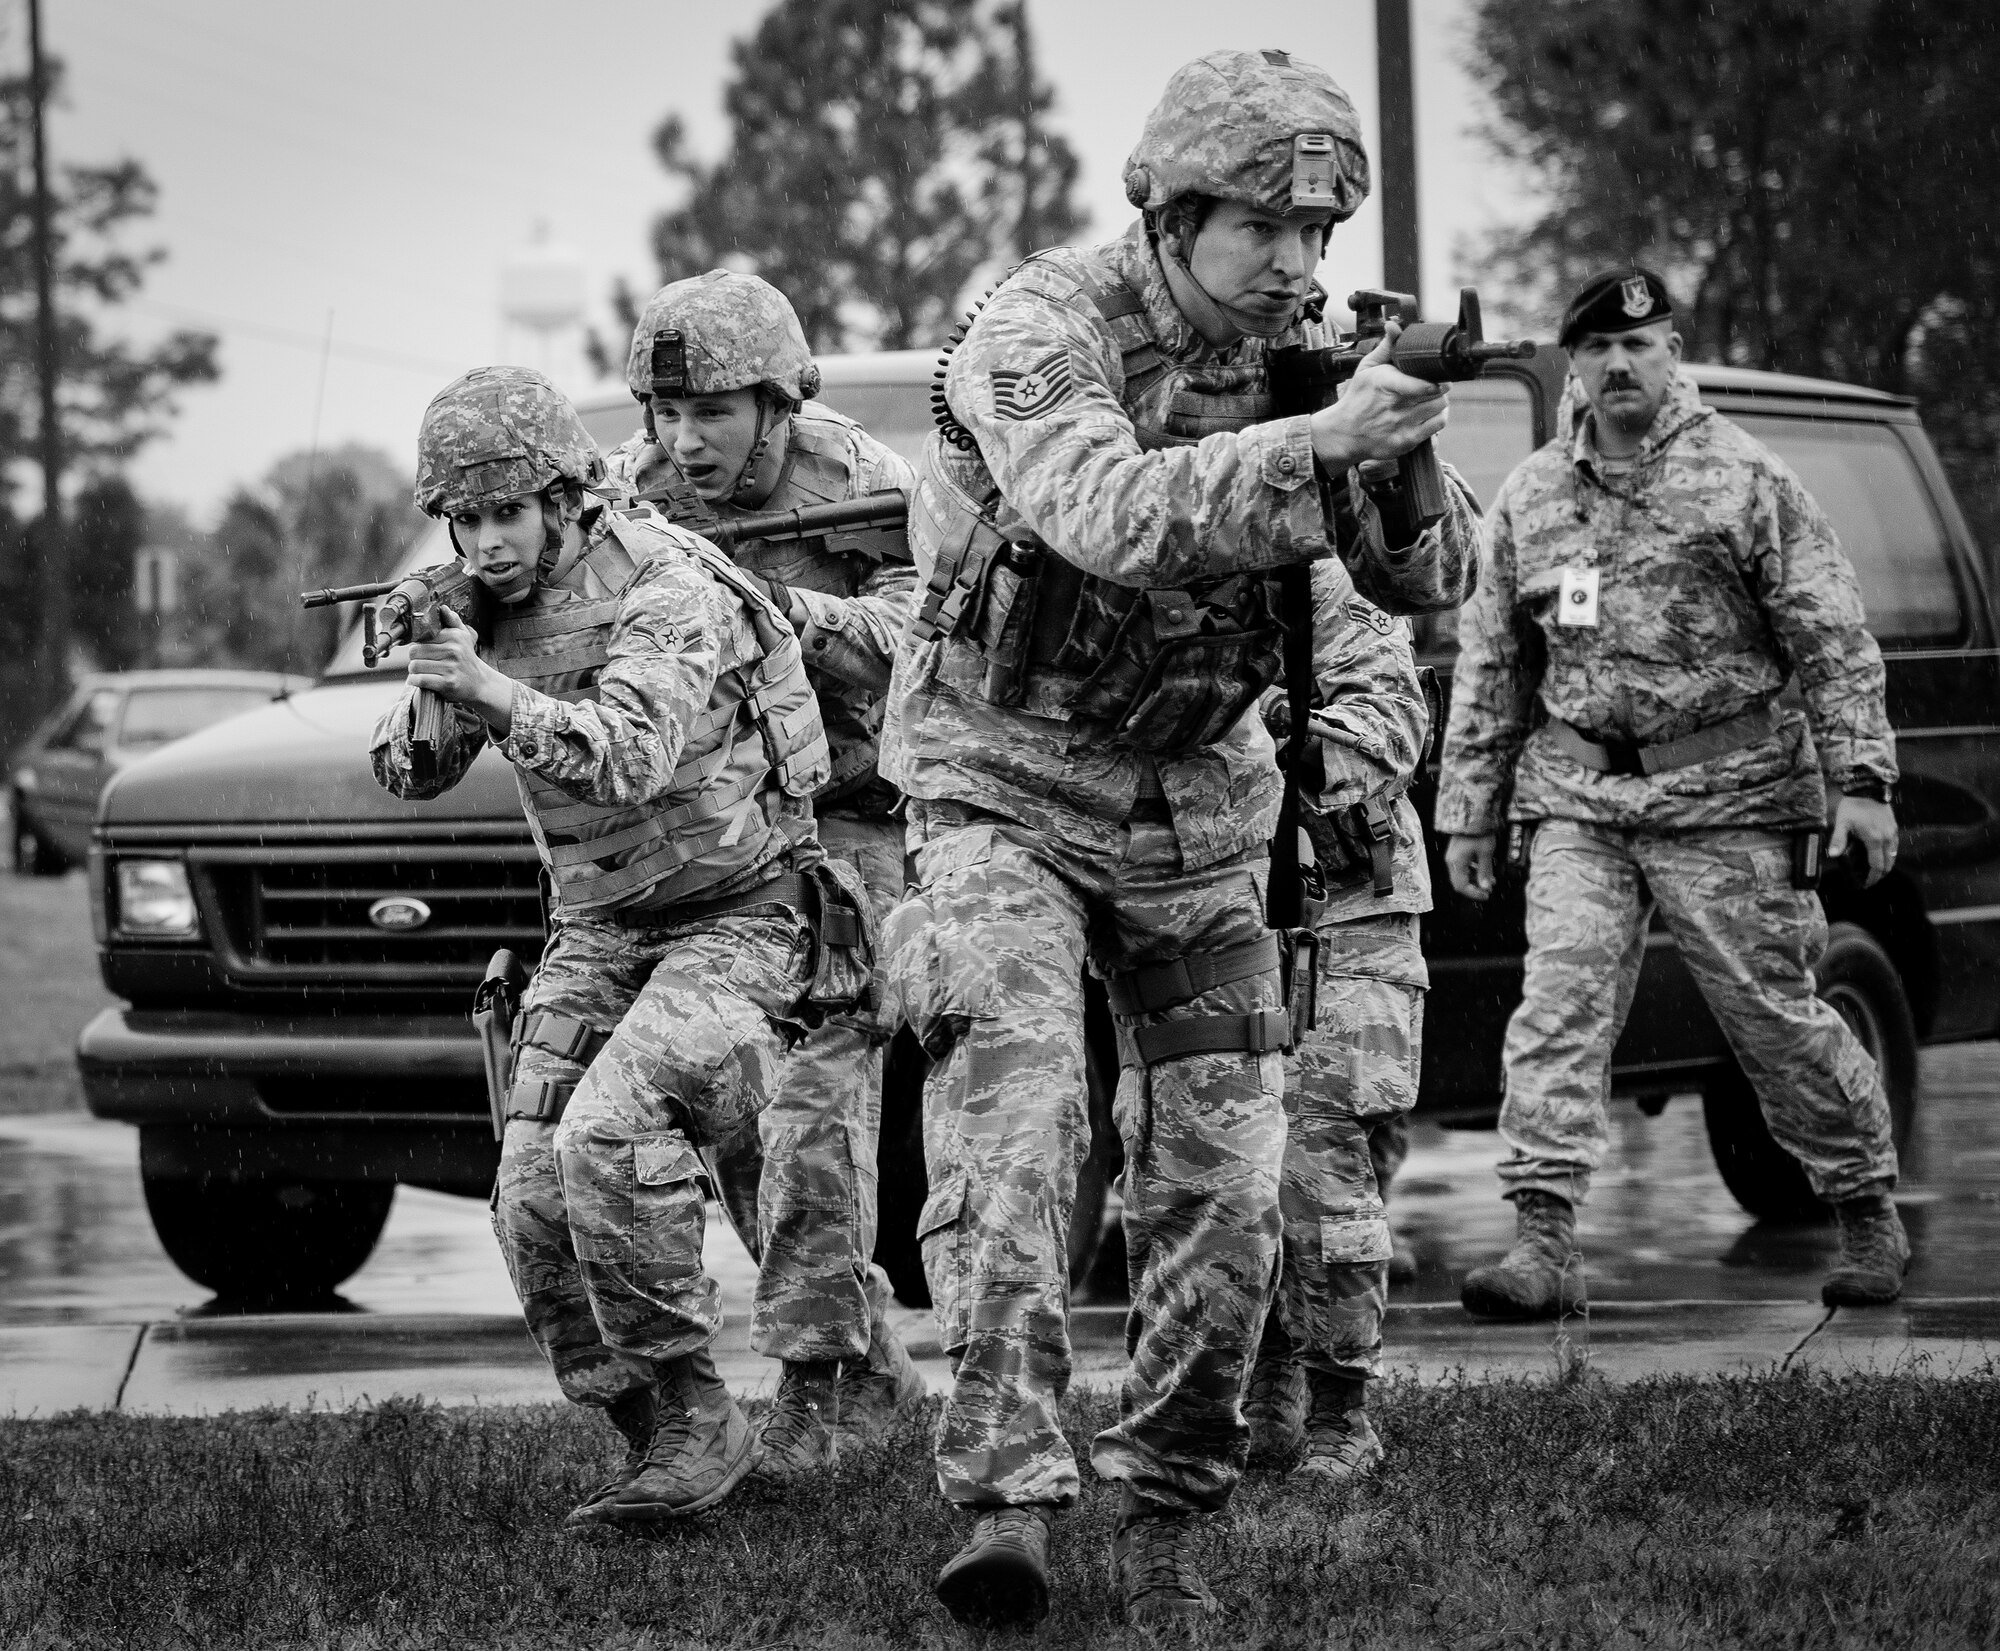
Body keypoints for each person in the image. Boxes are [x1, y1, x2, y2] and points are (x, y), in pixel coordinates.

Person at [879, 47, 1480, 1630]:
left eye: (1320, 237)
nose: (1297, 266)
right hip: (1005, 791)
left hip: (1203, 813)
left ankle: (1169, 1481)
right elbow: (1110, 516)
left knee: (1225, 1173)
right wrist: (1324, 448)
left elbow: (1429, 580)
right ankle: (1006, 1493)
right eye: (1265, 230)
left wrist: (1396, 450)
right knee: (1018, 1133)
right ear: (1175, 206)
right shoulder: (1041, 328)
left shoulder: (1307, 359)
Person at [371, 366, 871, 1527]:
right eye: (466, 520)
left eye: (509, 514)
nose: (488, 543)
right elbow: (411, 776)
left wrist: (490, 689)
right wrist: (432, 679)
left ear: (565, 496)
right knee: (531, 1194)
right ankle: (654, 1421)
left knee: (608, 1135)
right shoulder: (479, 603)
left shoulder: (666, 582)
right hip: (600, 928)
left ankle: (723, 1409)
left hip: (743, 910)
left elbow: (625, 756)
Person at [1436, 265, 1908, 1321]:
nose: (1616, 365)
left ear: (1670, 354)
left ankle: (1865, 1210)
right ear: (1574, 362)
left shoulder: (1744, 480)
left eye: (1637, 347)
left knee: (1773, 1021)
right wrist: (1469, 805)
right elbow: (1491, 660)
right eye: (1596, 347)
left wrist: (1861, 779)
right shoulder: (1531, 495)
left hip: (1725, 794)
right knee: (1554, 1009)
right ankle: (1542, 1239)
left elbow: (1829, 636)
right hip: (1579, 799)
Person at [604, 271, 925, 1476]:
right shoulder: (629, 502)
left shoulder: (871, 490)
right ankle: (857, 1352)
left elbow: (920, 648)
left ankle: (822, 1384)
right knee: (717, 1114)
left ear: (780, 405)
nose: (681, 444)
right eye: (663, 416)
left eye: (712, 417)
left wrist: (778, 609)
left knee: (812, 1109)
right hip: (708, 848)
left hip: (847, 834)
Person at [1245, 559, 1432, 1481]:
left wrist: (1256, 728)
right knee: (1225, 1172)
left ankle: (1341, 1406)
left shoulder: (1328, 597)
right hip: (1223, 914)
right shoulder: (1158, 577)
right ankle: (1264, 1378)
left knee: (1318, 1169)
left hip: (1344, 918)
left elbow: (1384, 732)